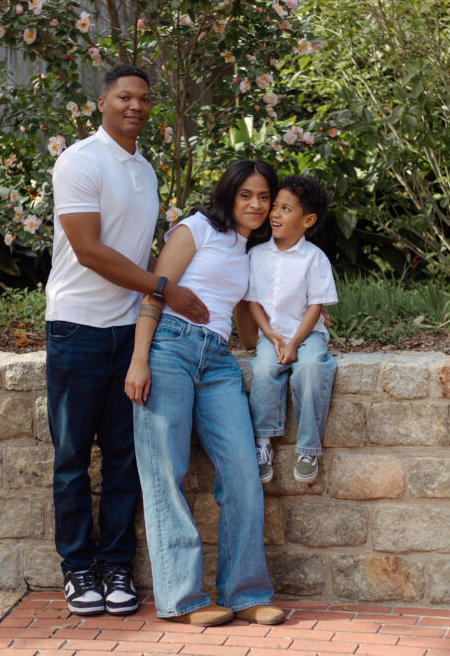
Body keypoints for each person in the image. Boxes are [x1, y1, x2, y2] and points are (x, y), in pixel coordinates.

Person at [45, 65, 209, 617]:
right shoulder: (79, 162)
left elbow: (140, 252)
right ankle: (77, 569)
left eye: (142, 98)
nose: (135, 106)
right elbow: (89, 251)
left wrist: (154, 306)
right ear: (102, 102)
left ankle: (116, 566)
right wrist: (166, 289)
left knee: (122, 458)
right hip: (77, 328)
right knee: (71, 458)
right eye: (124, 97)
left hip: (129, 333)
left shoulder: (144, 169)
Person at [124, 160, 286, 627]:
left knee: (242, 472)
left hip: (217, 361)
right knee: (165, 473)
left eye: (263, 197)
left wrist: (287, 339)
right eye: (246, 196)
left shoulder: (252, 250)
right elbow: (154, 295)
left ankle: (246, 592)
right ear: (229, 196)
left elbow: (244, 322)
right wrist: (139, 360)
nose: (255, 205)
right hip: (169, 349)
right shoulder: (195, 230)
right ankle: (182, 599)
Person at [246, 175, 338, 485]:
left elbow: (315, 307)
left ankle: (308, 447)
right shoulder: (256, 256)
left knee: (311, 368)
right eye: (275, 206)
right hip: (270, 334)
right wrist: (271, 336)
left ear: (307, 219)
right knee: (263, 369)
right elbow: (254, 302)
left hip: (307, 333)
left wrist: (296, 342)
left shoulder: (314, 259)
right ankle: (262, 444)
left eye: (286, 209)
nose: (274, 214)